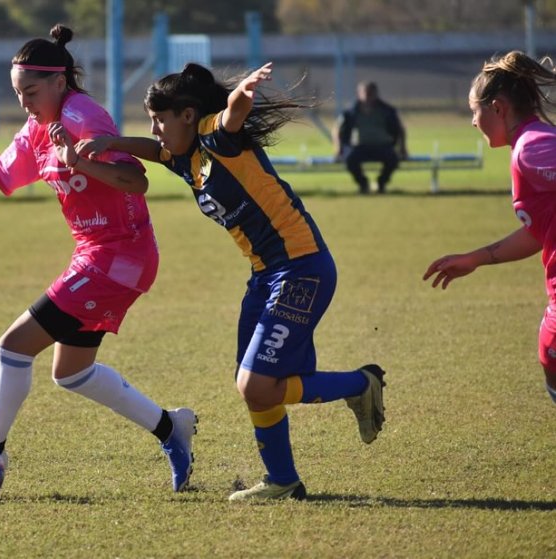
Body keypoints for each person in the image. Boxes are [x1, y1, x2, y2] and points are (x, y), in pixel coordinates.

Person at [75, 62, 386, 501]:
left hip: (301, 267)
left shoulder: (213, 137)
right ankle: (283, 481)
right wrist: (110, 142)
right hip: (265, 275)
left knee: (256, 384)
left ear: (187, 115)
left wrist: (243, 91)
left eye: (160, 119)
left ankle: (361, 385)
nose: (156, 129)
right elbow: (154, 149)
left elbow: (233, 114)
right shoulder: (183, 156)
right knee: (260, 387)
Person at [0, 25, 197, 493]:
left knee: (13, 345)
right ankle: (173, 429)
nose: (24, 102)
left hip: (121, 255)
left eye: (30, 91)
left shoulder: (84, 116)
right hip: (95, 254)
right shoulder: (36, 130)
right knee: (72, 373)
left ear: (59, 83)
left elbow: (136, 183)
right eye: (17, 93)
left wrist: (81, 160)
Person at [424, 50, 556, 405]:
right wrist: (476, 258)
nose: (472, 122)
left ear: (497, 108)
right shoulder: (531, 144)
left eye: (474, 111)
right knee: (549, 351)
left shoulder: (532, 147)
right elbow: (537, 232)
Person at [336, 81, 407, 194]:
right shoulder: (350, 112)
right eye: (365, 93)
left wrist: (403, 148)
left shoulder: (387, 111)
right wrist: (339, 148)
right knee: (350, 159)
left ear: (376, 93)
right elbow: (337, 130)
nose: (368, 96)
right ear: (359, 93)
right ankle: (363, 183)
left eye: (371, 93)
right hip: (359, 147)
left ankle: (381, 183)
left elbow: (400, 129)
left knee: (393, 159)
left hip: (382, 146)